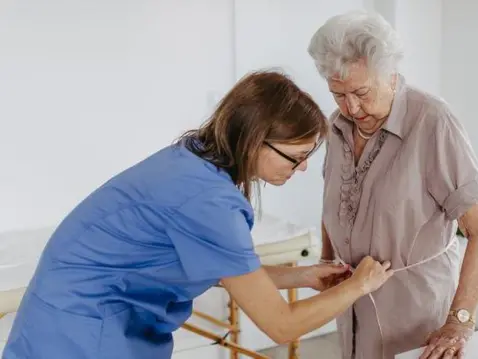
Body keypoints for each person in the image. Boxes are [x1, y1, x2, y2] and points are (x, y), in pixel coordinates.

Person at [2, 70, 394, 359]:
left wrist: (303, 276)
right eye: (297, 157)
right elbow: (280, 325)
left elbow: (219, 269)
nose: (303, 168)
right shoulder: (208, 201)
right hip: (81, 336)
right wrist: (358, 286)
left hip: (62, 319)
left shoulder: (190, 160)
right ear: (256, 140)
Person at [308, 11, 478, 359]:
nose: (351, 107)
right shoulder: (336, 128)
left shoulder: (432, 122)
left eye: (361, 92)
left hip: (414, 313)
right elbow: (333, 201)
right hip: (351, 306)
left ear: (390, 75)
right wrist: (326, 259)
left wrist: (460, 320)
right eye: (338, 94)